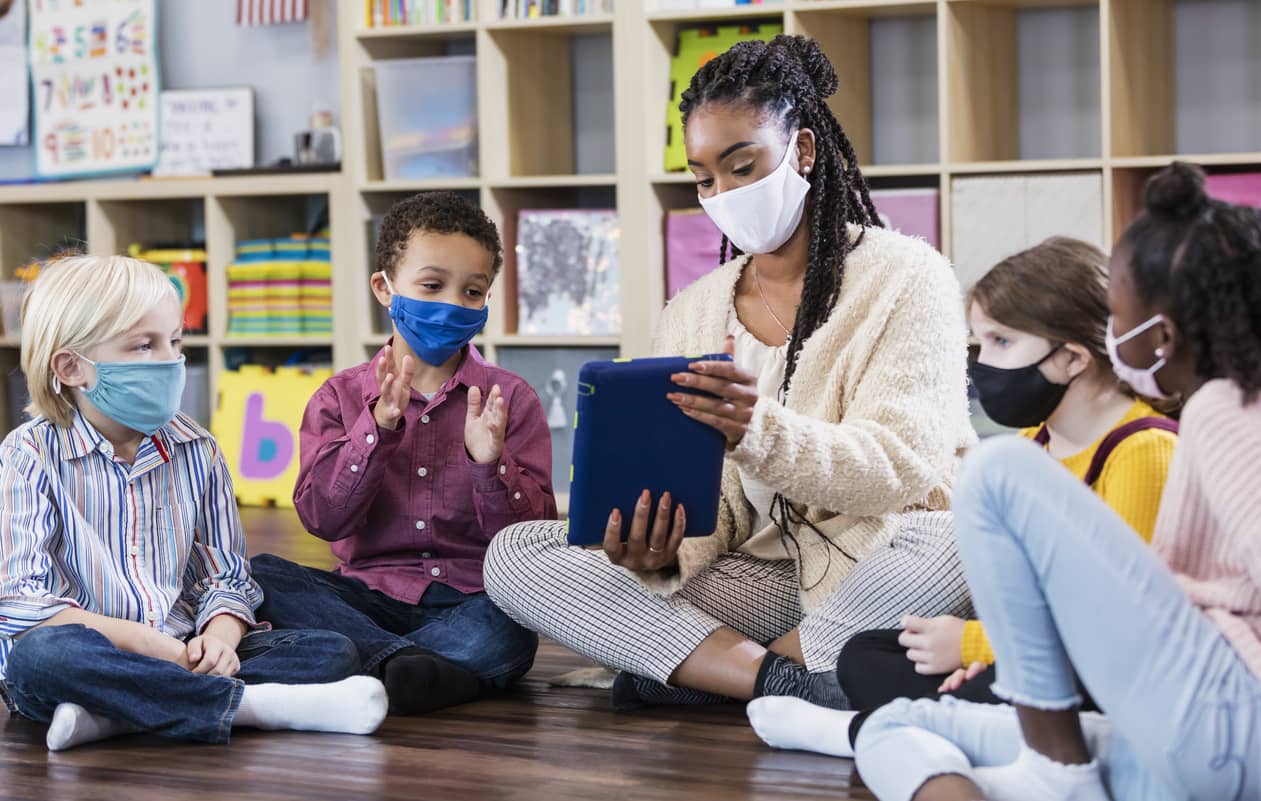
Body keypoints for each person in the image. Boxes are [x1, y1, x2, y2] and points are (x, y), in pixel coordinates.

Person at [759, 162, 1261, 801]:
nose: (1109, 335)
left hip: (1238, 727)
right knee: (902, 725)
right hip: (1214, 733)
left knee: (994, 473)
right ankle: (874, 735)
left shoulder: (1226, 414)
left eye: (1117, 317)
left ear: (1161, 337)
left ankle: (1053, 773)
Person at [483, 34, 975, 711]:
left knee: (955, 539)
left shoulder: (906, 276)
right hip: (761, 573)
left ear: (802, 150)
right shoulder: (692, 312)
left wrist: (757, 430)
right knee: (515, 554)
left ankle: (692, 667)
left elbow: (902, 467)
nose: (723, 193)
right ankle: (785, 683)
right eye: (706, 178)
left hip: (885, 554)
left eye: (743, 167)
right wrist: (657, 551)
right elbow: (717, 512)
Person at [751, 237, 1177, 755]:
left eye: (1001, 342)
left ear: (1071, 357)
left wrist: (974, 646)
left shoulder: (1142, 451)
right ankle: (956, 726)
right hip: (1034, 651)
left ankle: (877, 733)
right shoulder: (1029, 448)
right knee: (865, 655)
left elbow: (1117, 625)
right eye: (978, 342)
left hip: (1108, 664)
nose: (981, 364)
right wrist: (983, 652)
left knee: (1033, 681)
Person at [0, 256, 386, 751]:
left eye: (175, 342)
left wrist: (220, 640)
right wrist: (144, 644)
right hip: (92, 652)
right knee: (44, 658)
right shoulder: (28, 453)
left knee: (330, 652)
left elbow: (227, 576)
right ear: (72, 367)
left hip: (183, 650)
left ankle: (114, 715)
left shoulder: (196, 448)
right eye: (145, 345)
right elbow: (20, 602)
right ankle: (256, 709)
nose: (170, 360)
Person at [251, 191, 554, 716]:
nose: (452, 305)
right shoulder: (339, 397)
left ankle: (370, 666)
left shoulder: (511, 399)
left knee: (508, 630)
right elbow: (323, 519)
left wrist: (490, 465)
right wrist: (376, 431)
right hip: (365, 598)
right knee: (261, 575)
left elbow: (533, 540)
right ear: (384, 288)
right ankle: (416, 670)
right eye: (432, 285)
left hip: (470, 601)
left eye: (473, 291)